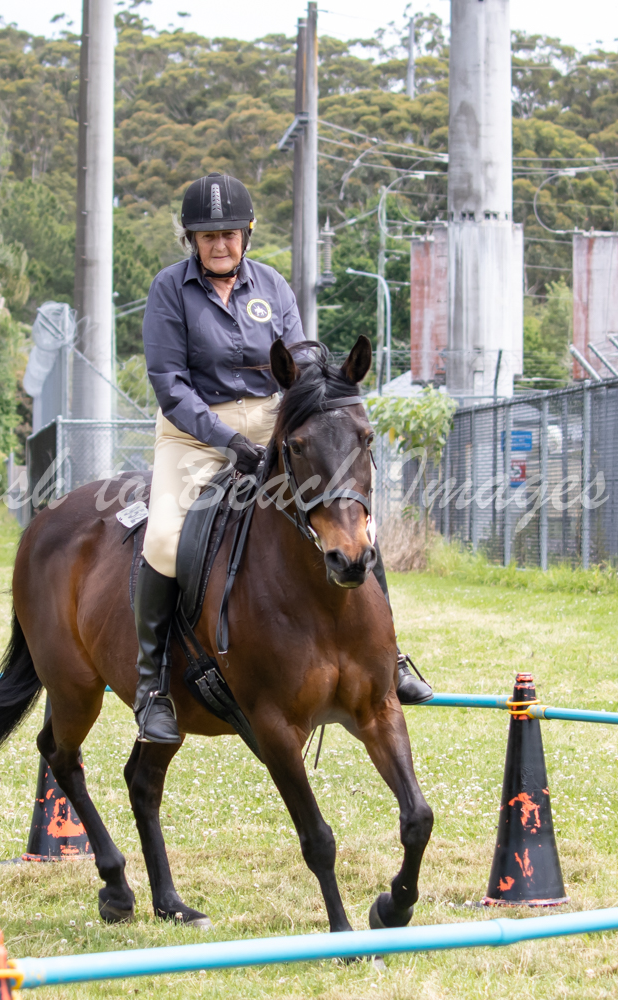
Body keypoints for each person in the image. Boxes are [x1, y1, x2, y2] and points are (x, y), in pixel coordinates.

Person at [132, 172, 433, 743]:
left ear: (245, 234)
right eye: (207, 236)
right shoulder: (169, 289)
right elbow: (170, 385)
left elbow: (302, 367)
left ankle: (389, 658)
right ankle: (153, 689)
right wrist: (228, 440)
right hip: (194, 432)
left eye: (229, 234)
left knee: (350, 521)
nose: (219, 245)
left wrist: (305, 417)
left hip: (276, 427)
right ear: (191, 240)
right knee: (166, 538)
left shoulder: (271, 285)